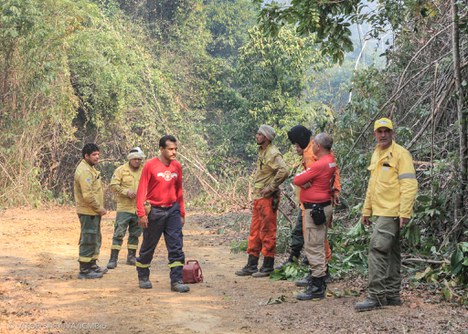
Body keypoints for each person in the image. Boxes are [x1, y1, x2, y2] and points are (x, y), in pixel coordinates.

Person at [355, 118, 418, 311]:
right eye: (379, 131)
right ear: (375, 134)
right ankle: (391, 294)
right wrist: (366, 210)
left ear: (392, 133)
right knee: (391, 252)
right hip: (381, 211)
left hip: (392, 212)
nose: (383, 135)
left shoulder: (401, 154)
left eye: (386, 131)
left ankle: (376, 296)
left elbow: (409, 185)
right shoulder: (376, 153)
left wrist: (404, 212)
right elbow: (372, 186)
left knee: (377, 249)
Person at [276, 125, 341, 286]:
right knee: (313, 236)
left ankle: (320, 274)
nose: (296, 147)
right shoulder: (311, 153)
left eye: (297, 144)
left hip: (316, 204)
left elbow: (321, 173)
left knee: (315, 239)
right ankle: (315, 270)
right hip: (310, 202)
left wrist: (335, 189)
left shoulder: (315, 153)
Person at [135, 135, 189, 293]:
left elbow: (179, 191)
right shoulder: (150, 166)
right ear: (161, 149)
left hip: (173, 210)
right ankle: (143, 276)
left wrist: (182, 212)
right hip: (155, 211)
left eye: (175, 149)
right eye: (170, 149)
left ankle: (177, 280)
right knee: (148, 246)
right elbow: (141, 191)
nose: (174, 152)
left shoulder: (177, 166)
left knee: (176, 246)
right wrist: (141, 214)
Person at [235, 125, 289, 278]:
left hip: (267, 198)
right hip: (259, 198)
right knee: (255, 232)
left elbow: (284, 170)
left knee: (267, 231)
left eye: (259, 134)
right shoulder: (262, 151)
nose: (256, 136)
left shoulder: (273, 153)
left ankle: (267, 266)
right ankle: (252, 264)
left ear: (266, 137)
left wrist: (271, 187)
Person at [293, 133, 336, 300]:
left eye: (315, 144)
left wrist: (304, 182)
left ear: (318, 146)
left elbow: (297, 179)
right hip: (323, 206)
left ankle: (317, 286)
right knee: (318, 243)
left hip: (315, 209)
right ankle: (317, 279)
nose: (313, 147)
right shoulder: (331, 160)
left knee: (313, 246)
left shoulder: (320, 164)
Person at [107, 147, 145, 269]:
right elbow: (113, 185)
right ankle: (113, 259)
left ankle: (131, 257)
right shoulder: (121, 170)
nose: (137, 161)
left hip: (138, 208)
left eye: (139, 159)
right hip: (124, 208)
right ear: (130, 159)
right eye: (135, 159)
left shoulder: (144, 171)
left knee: (135, 234)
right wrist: (125, 192)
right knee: (119, 233)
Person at [74, 143, 108, 279]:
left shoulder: (90, 169)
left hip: (93, 211)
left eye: (98, 154)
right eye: (94, 155)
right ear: (86, 156)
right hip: (88, 211)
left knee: (95, 238)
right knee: (88, 238)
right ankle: (84, 270)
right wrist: (99, 208)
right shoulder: (85, 171)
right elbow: (87, 195)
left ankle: (92, 264)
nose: (97, 157)